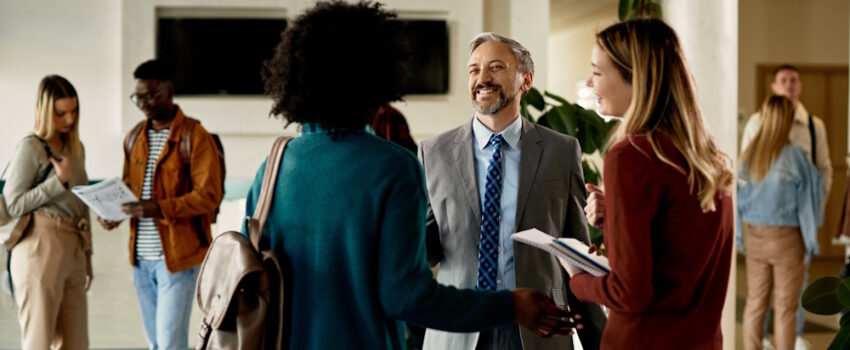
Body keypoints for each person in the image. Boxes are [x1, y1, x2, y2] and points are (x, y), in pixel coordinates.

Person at [249, 2, 578, 349]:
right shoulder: (393, 166)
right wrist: (509, 304)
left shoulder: (272, 167)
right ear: (377, 74)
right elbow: (406, 296)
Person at [418, 32, 606, 350]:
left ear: (525, 80)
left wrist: (600, 342)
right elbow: (423, 250)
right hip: (459, 332)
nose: (482, 78)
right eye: (474, 69)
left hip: (539, 331)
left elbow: (575, 251)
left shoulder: (561, 151)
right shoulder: (433, 152)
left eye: (495, 67)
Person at [569, 18, 736, 349]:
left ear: (636, 79)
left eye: (598, 72)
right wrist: (615, 219)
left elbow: (629, 293)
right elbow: (678, 251)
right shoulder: (709, 158)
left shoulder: (629, 157)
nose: (589, 83)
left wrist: (577, 280)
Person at [97, 59, 223, 350]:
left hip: (178, 260)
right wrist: (113, 214)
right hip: (141, 259)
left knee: (169, 344)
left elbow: (208, 196)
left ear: (170, 91)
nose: (145, 103)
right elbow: (128, 192)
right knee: (156, 343)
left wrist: (159, 208)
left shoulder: (195, 136)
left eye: (152, 95)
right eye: (139, 97)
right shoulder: (133, 139)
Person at [740, 65, 830, 350]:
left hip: (755, 237)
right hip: (788, 240)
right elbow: (808, 203)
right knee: (785, 307)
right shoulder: (797, 157)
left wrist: (742, 238)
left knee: (755, 302)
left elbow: (738, 200)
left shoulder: (749, 154)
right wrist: (811, 240)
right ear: (788, 120)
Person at [4, 75, 92, 349]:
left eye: (74, 111)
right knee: (38, 342)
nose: (69, 119)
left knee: (76, 343)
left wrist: (87, 254)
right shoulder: (30, 147)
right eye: (60, 113)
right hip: (39, 246)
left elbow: (80, 204)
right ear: (45, 111)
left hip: (73, 247)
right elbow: (13, 204)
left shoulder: (76, 149)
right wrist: (57, 183)